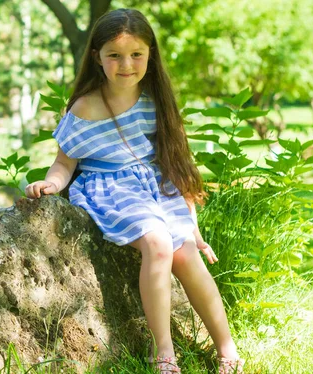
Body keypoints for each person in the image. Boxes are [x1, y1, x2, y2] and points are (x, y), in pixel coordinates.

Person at [25, 8, 244, 374]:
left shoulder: (154, 99)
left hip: (158, 187)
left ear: (150, 55)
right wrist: (52, 183)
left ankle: (227, 348)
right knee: (158, 244)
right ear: (97, 57)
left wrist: (194, 227)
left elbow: (175, 162)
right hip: (111, 188)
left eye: (136, 54)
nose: (126, 64)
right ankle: (164, 354)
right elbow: (65, 162)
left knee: (188, 256)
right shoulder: (85, 107)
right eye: (114, 55)